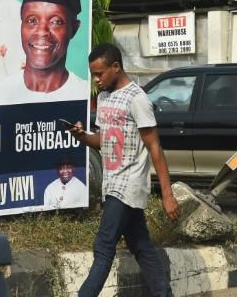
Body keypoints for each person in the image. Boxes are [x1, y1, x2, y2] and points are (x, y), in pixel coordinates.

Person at [68, 42, 180, 297]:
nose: (96, 80)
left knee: (104, 246)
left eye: (100, 74)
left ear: (116, 67)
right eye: (93, 74)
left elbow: (155, 147)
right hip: (112, 183)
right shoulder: (105, 98)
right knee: (140, 245)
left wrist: (167, 194)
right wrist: (82, 136)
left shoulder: (137, 99)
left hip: (127, 184)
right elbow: (104, 140)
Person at [0, 0, 87, 103]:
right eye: (32, 20)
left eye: (56, 21)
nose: (42, 32)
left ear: (74, 29)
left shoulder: (82, 96)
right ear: (21, 24)